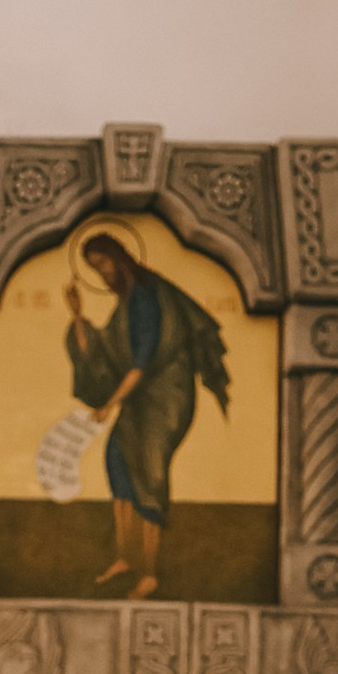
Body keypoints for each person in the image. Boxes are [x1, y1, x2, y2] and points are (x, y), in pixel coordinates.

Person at [62, 230, 231, 598]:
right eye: (94, 267)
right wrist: (77, 316)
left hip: (164, 399)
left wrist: (110, 404)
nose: (102, 273)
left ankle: (151, 572)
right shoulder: (126, 303)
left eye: (104, 263)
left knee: (150, 475)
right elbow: (106, 353)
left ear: (119, 257)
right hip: (138, 398)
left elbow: (142, 360)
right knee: (118, 462)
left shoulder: (146, 297)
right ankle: (126, 557)